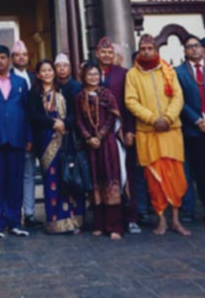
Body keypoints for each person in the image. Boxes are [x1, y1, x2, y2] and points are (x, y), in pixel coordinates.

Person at [124, 34, 191, 237]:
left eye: (149, 48)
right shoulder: (133, 74)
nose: (146, 52)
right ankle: (161, 219)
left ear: (156, 50)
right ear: (139, 50)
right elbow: (131, 101)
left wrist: (168, 118)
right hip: (148, 133)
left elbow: (178, 96)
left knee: (176, 177)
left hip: (170, 130)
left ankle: (176, 220)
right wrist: (154, 119)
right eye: (143, 48)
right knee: (154, 180)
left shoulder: (168, 71)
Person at [0, 44, 31, 239]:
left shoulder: (20, 82)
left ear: (8, 60)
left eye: (3, 57)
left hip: (16, 138)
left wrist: (28, 137)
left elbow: (26, 111)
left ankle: (14, 222)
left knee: (15, 182)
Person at [27, 59, 82, 235]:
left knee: (66, 179)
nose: (47, 73)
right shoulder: (34, 93)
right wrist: (53, 123)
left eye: (50, 70)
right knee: (51, 180)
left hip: (64, 140)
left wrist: (64, 123)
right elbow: (34, 115)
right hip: (45, 140)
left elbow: (75, 114)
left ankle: (71, 221)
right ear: (38, 74)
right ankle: (53, 221)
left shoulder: (64, 91)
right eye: (43, 71)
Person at [76, 63, 127, 240]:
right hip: (90, 146)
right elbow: (79, 121)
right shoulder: (80, 97)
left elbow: (113, 117)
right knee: (96, 182)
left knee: (110, 181)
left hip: (107, 144)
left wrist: (100, 135)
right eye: (89, 74)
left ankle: (114, 226)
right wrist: (89, 138)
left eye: (96, 74)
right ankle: (99, 224)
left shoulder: (107, 94)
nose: (93, 77)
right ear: (83, 76)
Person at [96, 39, 143, 234]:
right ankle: (105, 219)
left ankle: (131, 216)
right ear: (97, 53)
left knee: (125, 175)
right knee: (102, 176)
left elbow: (129, 105)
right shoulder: (90, 73)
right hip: (98, 135)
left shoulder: (123, 74)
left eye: (110, 52)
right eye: (103, 52)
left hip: (119, 132)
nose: (106, 55)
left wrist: (130, 130)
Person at [177, 35, 205, 231]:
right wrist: (198, 120)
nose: (194, 49)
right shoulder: (179, 72)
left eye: (197, 46)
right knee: (203, 174)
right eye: (190, 47)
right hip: (194, 129)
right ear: (184, 51)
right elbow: (179, 101)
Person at [9, 40, 39, 228]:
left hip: (36, 132)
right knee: (13, 175)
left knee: (29, 175)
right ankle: (13, 212)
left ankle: (29, 213)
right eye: (18, 55)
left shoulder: (36, 77)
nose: (21, 57)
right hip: (14, 134)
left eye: (24, 54)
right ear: (12, 59)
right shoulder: (6, 78)